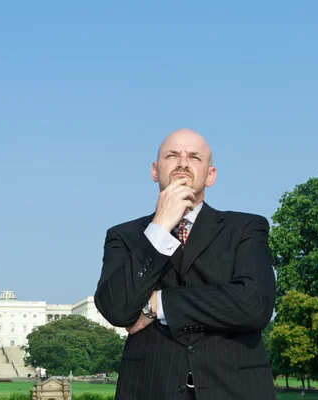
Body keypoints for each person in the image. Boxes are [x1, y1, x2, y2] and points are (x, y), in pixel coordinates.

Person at [94, 129, 276, 400]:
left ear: (210, 175)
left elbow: (254, 305)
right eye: (172, 155)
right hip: (149, 389)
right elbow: (117, 309)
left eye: (194, 157)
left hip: (235, 389)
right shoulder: (124, 236)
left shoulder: (246, 228)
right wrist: (159, 226)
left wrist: (157, 304)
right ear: (155, 171)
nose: (182, 162)